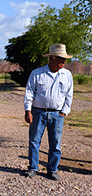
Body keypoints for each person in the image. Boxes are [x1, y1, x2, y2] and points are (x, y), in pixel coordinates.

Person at [23, 44, 73, 181]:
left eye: (64, 59)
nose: (63, 62)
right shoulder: (37, 73)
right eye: (60, 59)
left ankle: (52, 170)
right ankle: (33, 168)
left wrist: (64, 112)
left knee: (55, 144)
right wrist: (28, 110)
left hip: (57, 115)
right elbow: (29, 92)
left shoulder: (67, 75)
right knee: (34, 141)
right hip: (38, 112)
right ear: (51, 58)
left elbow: (69, 95)